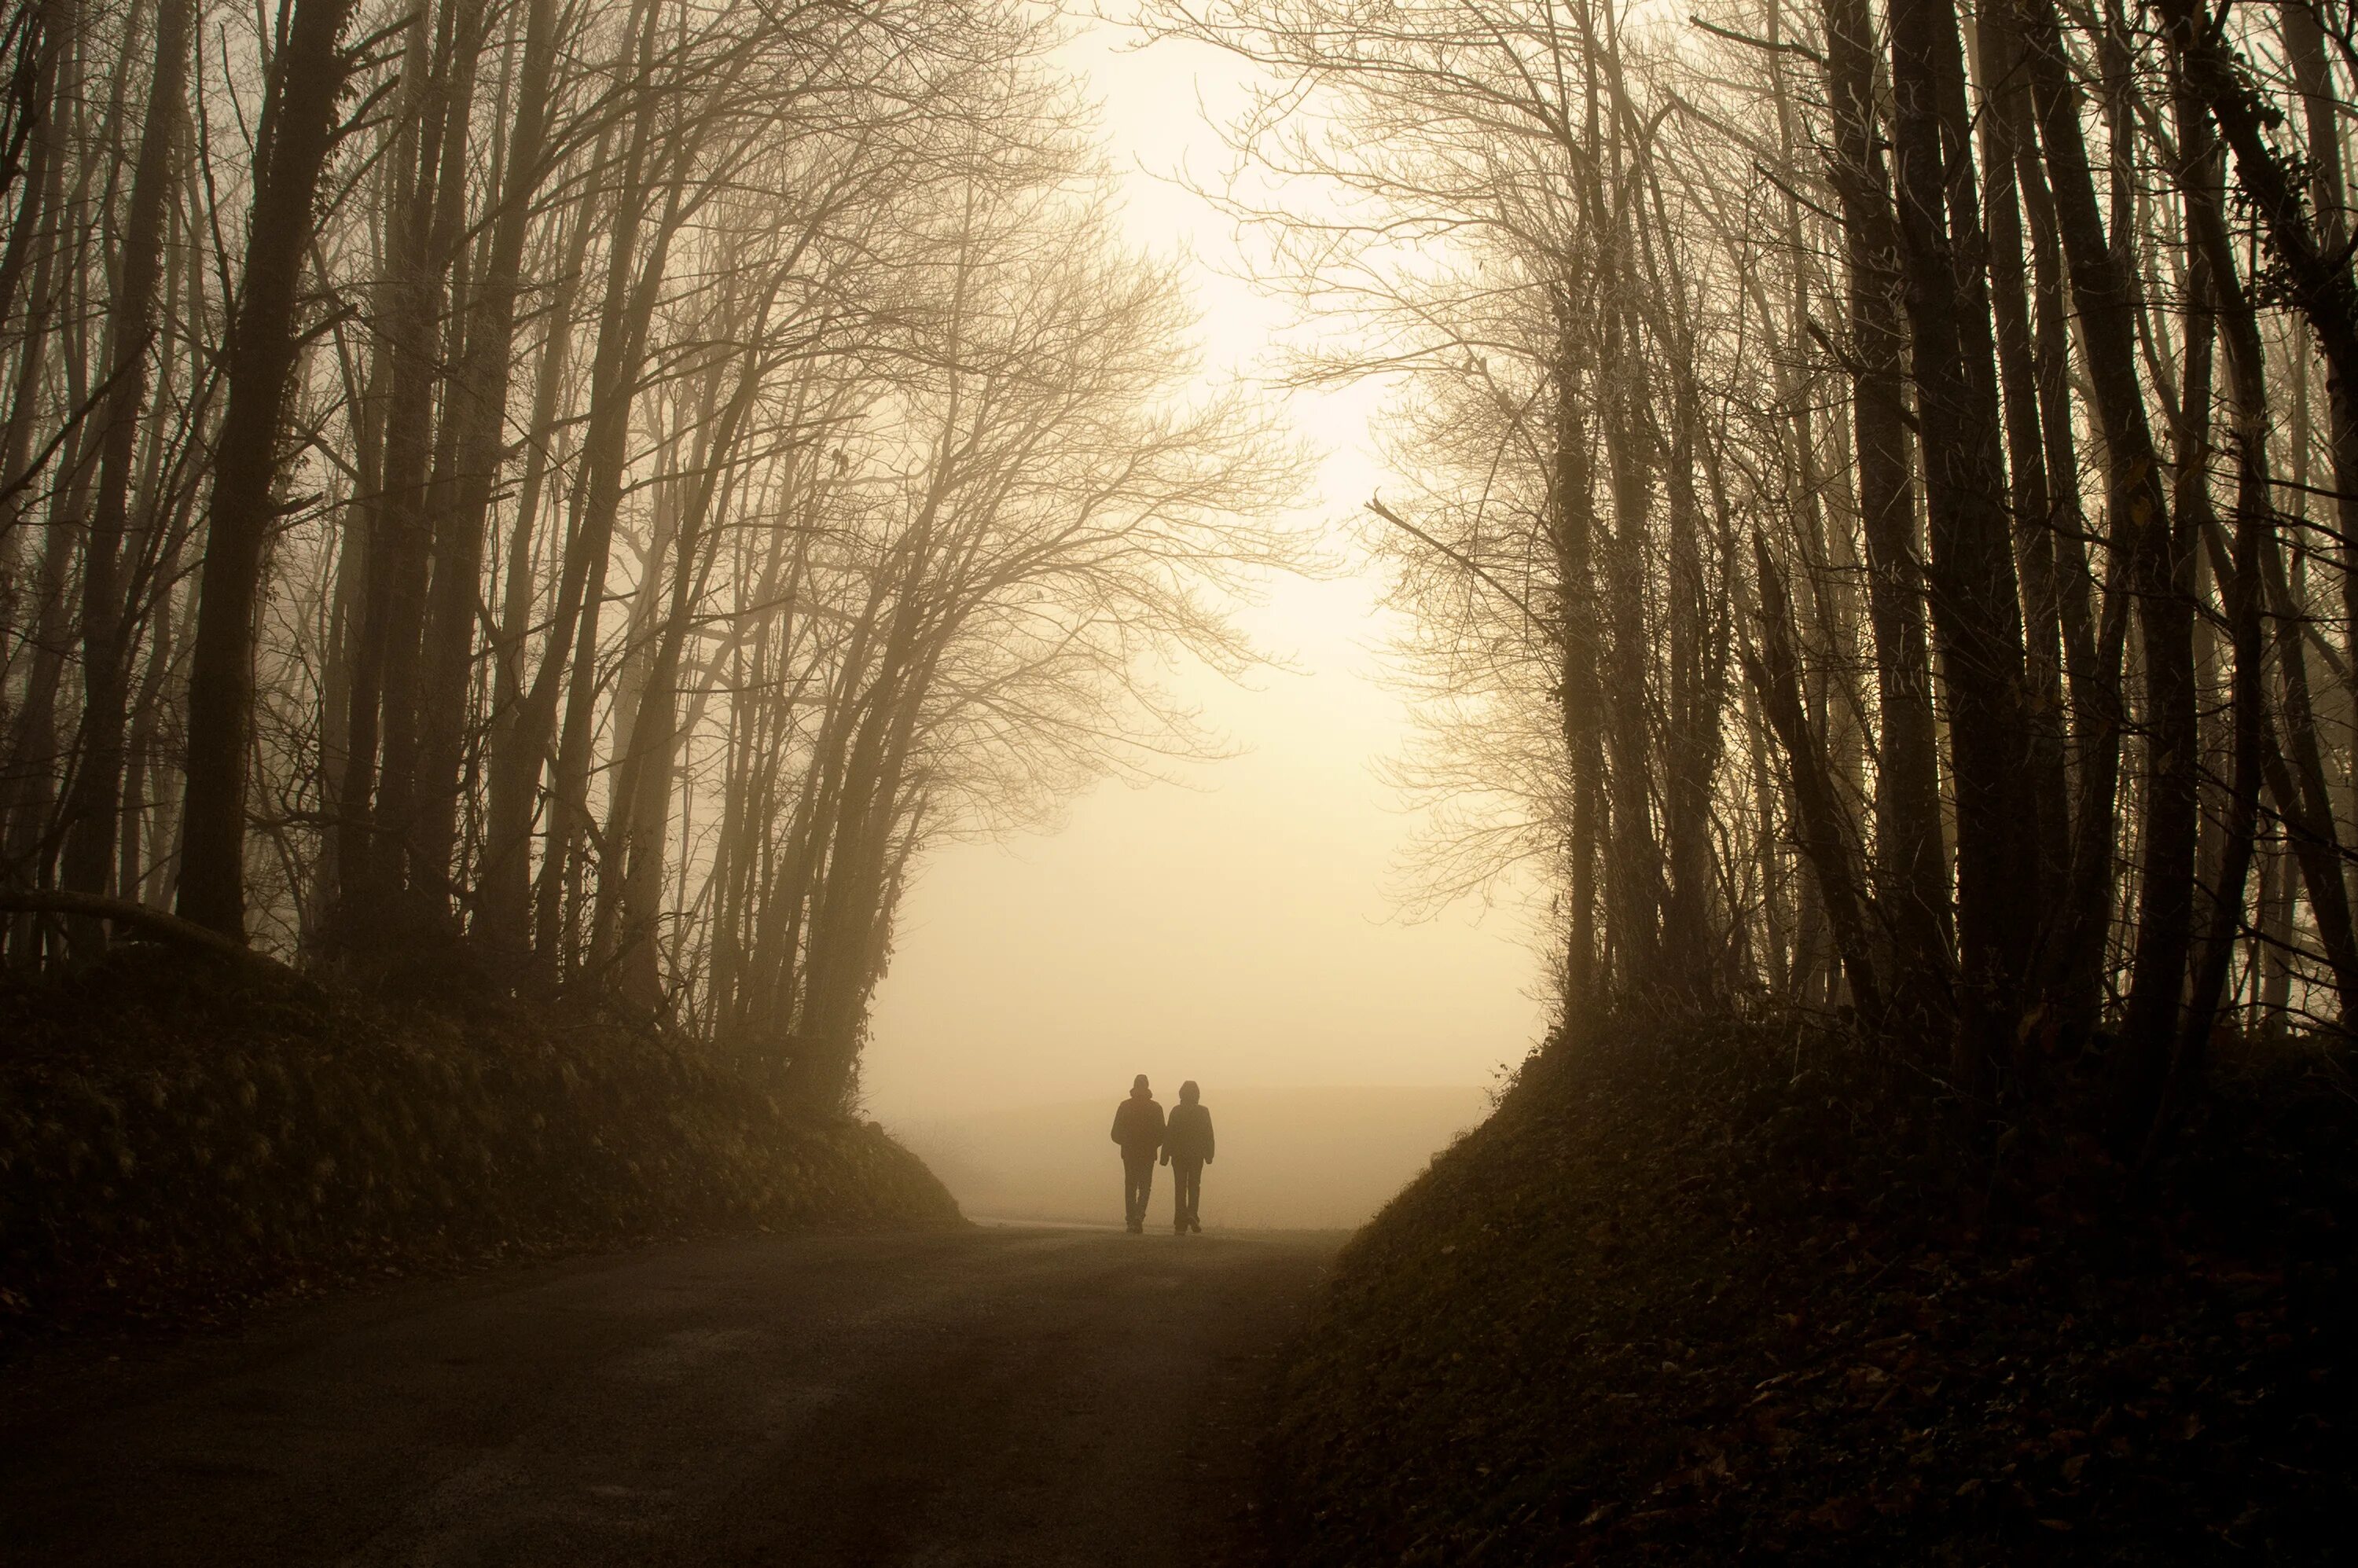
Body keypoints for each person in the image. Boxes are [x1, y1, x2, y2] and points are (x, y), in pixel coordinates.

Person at [1109, 1074, 1165, 1232]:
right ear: (1147, 1086)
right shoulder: (1156, 1108)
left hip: (1129, 1153)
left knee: (1130, 1186)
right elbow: (1162, 1133)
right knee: (1145, 1187)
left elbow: (1114, 1133)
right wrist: (1153, 1144)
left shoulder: (1124, 1106)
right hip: (1148, 1153)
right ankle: (1139, 1216)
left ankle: (1131, 1219)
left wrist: (1126, 1142)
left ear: (1134, 1086)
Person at [1161, 1080, 1214, 1234]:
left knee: (1180, 1187)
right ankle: (1192, 1214)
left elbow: (1169, 1134)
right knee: (1194, 1185)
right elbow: (1208, 1134)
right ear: (1197, 1094)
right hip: (1197, 1155)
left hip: (1178, 1155)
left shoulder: (1176, 1111)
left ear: (1181, 1094)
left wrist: (1165, 1155)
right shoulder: (1203, 1112)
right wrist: (1209, 1154)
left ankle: (1180, 1223)